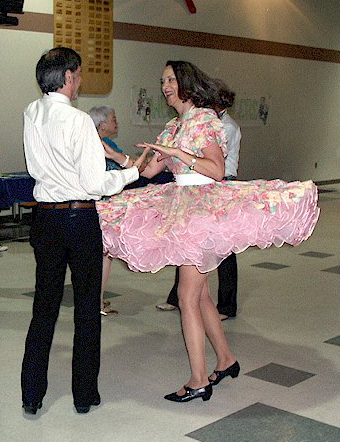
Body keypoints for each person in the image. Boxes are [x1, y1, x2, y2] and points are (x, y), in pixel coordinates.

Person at [97, 61, 318, 403]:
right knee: (199, 297)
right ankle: (226, 360)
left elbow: (215, 169)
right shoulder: (172, 126)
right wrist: (119, 156)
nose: (165, 86)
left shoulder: (204, 119)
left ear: (185, 82)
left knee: (187, 297)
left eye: (170, 79)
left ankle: (199, 379)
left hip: (202, 210)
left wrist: (176, 152)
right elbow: (149, 169)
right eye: (162, 81)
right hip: (180, 207)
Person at [21, 47, 149, 415]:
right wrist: (133, 172)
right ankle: (83, 394)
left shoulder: (31, 112)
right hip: (79, 220)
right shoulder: (78, 122)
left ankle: (32, 394)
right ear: (67, 77)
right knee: (87, 309)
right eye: (77, 74)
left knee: (43, 309)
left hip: (44, 219)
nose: (80, 82)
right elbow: (94, 184)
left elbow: (35, 166)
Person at [156, 83, 241, 320]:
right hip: (191, 188)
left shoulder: (221, 124)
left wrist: (180, 155)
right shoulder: (188, 122)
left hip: (218, 183)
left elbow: (217, 166)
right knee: (187, 249)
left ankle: (227, 304)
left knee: (223, 248)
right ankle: (179, 297)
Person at [89, 105, 133, 316]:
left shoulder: (108, 144)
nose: (117, 122)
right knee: (103, 254)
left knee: (105, 255)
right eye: (113, 119)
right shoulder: (95, 145)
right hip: (101, 206)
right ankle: (95, 301)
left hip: (109, 205)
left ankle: (97, 297)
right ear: (102, 123)